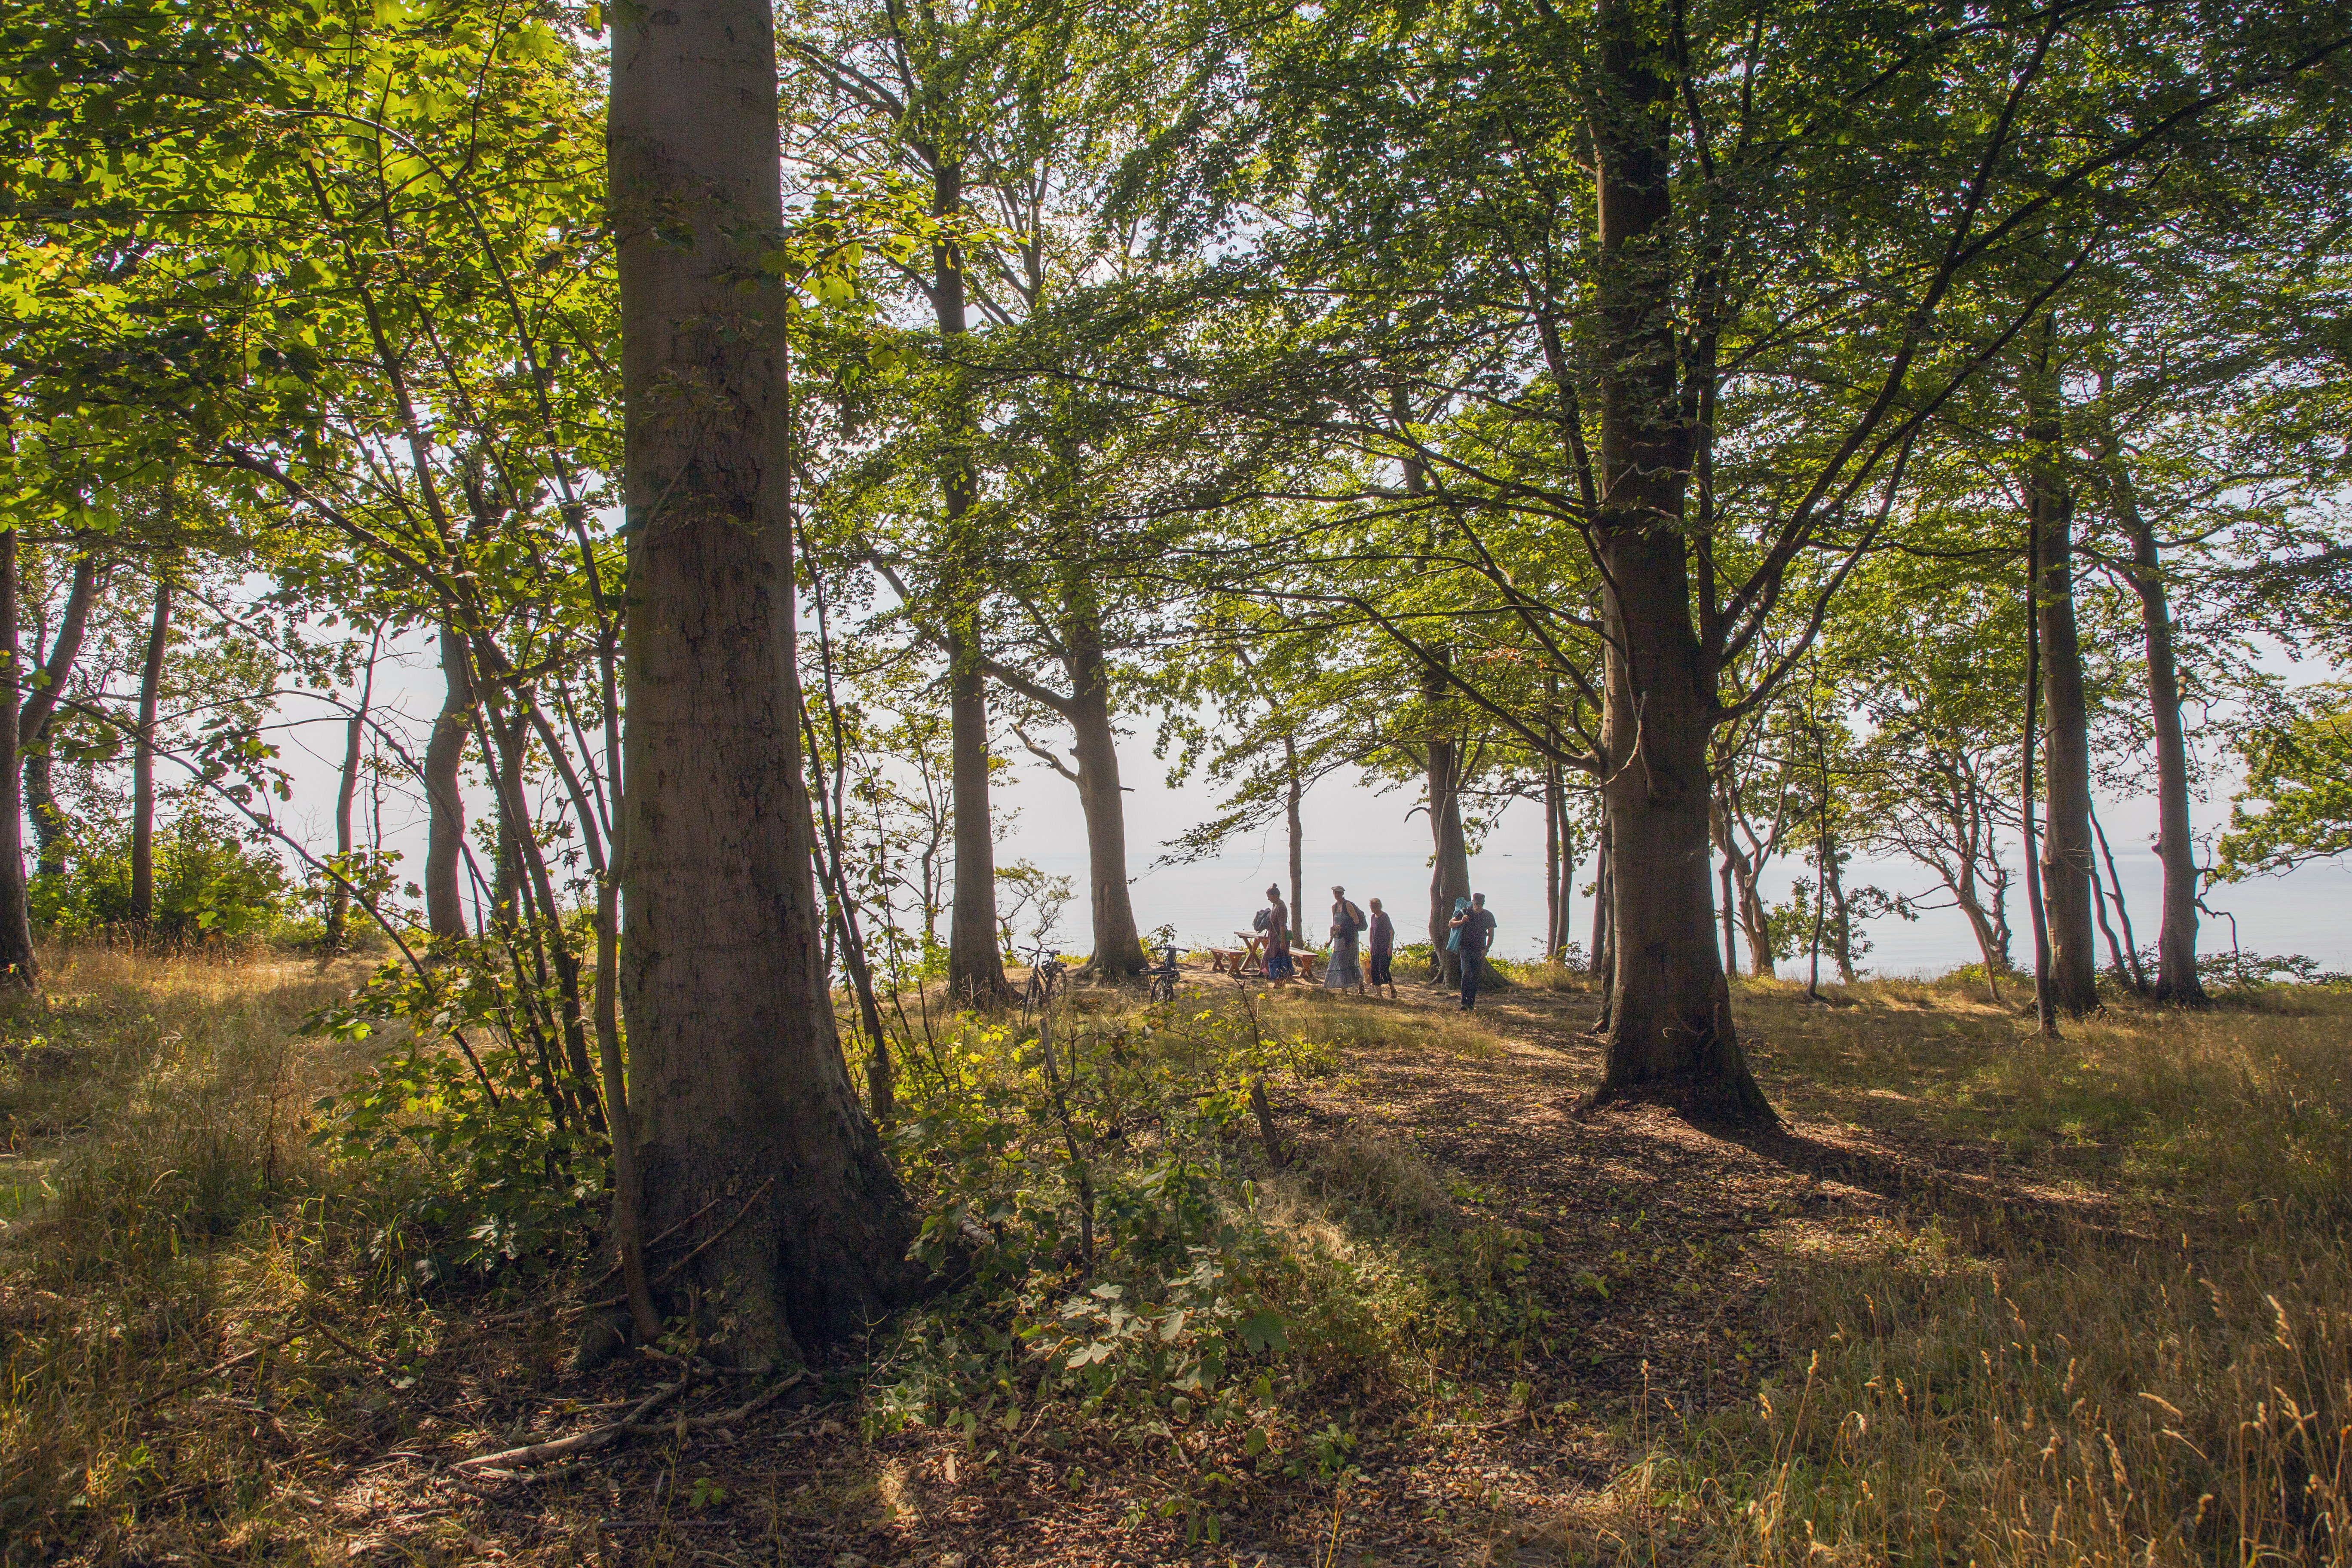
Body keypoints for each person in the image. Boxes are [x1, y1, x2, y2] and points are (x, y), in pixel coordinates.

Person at [1449, 891, 1498, 1010]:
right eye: (1476, 904)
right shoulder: (1465, 911)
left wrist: (1486, 949)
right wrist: (1461, 921)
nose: (1478, 906)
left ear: (1484, 904)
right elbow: (1451, 924)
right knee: (1466, 973)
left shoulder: (1488, 916)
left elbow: (1491, 935)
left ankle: (1471, 1002)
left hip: (1479, 950)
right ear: (1473, 903)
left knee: (1476, 976)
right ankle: (1464, 1002)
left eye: (1481, 904)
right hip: (1465, 948)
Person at [1323, 885, 1366, 995]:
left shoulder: (1348, 905)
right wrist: (1330, 940)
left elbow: (1356, 921)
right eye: (1335, 893)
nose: (1337, 895)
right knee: (1341, 963)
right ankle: (1344, 989)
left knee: (1351, 962)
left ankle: (1360, 985)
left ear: (1342, 894)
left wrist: (1344, 927)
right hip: (1339, 940)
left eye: (1339, 893)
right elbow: (1334, 924)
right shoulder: (1334, 907)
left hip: (1350, 938)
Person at [1261, 884, 1294, 983]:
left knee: (1278, 961)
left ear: (1275, 895)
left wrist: (1283, 942)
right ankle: (1274, 979)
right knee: (1267, 958)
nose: (1268, 899)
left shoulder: (1282, 908)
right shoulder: (1274, 905)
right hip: (1273, 938)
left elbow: (1282, 926)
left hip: (1279, 939)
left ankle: (1280, 982)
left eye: (1269, 896)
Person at [1366, 897, 1396, 998]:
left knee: (1383, 969)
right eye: (1370, 906)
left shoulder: (1385, 917)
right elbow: (1371, 931)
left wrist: (1390, 947)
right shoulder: (1373, 917)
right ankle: (1379, 993)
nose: (1371, 908)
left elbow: (1391, 932)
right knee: (1374, 970)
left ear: (1378, 907)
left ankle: (1393, 989)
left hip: (1384, 948)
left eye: (1373, 907)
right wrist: (1371, 946)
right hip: (1375, 948)